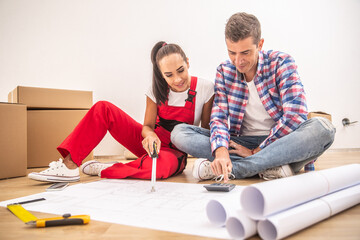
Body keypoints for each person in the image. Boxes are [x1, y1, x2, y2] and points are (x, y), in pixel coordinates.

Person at [170, 12, 336, 183]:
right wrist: (221, 151)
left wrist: (257, 151)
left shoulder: (281, 63)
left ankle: (229, 169)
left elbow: (295, 116)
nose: (238, 60)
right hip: (240, 143)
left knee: (324, 129)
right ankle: (272, 168)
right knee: (179, 133)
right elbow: (218, 117)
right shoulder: (224, 71)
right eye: (232, 52)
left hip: (281, 142)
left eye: (245, 53)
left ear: (260, 44)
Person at [28, 41, 214, 182]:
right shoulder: (155, 90)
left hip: (174, 154)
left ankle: (104, 169)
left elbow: (202, 134)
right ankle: (69, 166)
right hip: (151, 145)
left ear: (188, 63)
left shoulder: (205, 88)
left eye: (181, 70)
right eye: (169, 75)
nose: (177, 79)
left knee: (160, 169)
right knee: (103, 108)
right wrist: (149, 136)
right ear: (161, 73)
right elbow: (147, 126)